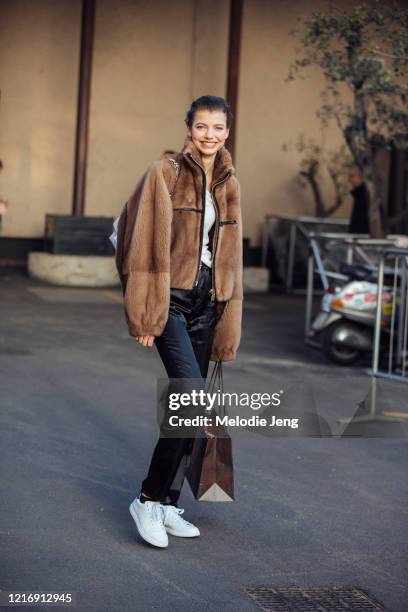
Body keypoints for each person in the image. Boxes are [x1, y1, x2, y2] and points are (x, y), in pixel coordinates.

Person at [116, 95, 243, 548]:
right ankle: (147, 499)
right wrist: (146, 312)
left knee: (188, 408)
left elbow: (231, 257)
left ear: (227, 132)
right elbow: (140, 244)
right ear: (188, 128)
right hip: (170, 301)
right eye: (202, 126)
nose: (210, 135)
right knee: (190, 400)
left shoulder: (228, 182)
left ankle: (169, 504)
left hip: (209, 304)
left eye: (219, 128)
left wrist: (228, 312)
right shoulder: (164, 172)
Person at [349, 168, 370, 234]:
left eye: (352, 176)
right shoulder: (359, 194)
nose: (350, 180)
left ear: (361, 178)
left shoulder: (363, 195)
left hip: (361, 235)